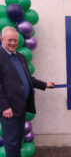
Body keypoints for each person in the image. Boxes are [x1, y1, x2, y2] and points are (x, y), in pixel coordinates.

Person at [0, 26, 55, 157]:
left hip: (21, 107)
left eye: (15, 40)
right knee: (12, 144)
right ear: (1, 39)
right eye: (10, 40)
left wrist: (45, 85)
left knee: (18, 141)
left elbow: (27, 78)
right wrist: (5, 107)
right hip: (9, 111)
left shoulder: (20, 56)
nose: (13, 43)